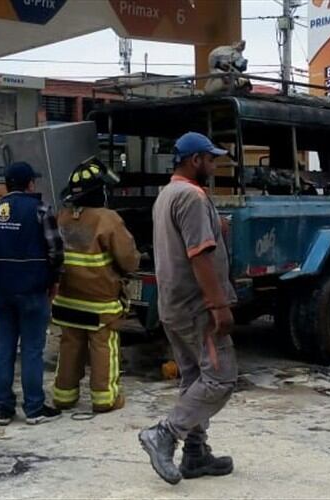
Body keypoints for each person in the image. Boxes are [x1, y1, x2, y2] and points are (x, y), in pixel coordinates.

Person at [139, 132, 236, 485]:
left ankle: (195, 454)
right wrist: (218, 304)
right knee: (220, 378)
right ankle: (164, 434)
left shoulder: (167, 195)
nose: (214, 164)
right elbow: (200, 256)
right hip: (197, 307)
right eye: (211, 159)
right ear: (196, 160)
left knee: (194, 378)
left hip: (173, 303)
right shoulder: (192, 197)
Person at [0, 162, 64, 426]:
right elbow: (56, 251)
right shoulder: (41, 211)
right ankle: (34, 408)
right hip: (33, 290)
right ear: (30, 184)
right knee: (32, 350)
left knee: (4, 347)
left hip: (0, 291)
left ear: (6, 185)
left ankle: (3, 408)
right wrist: (54, 279)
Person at [51, 159, 140, 413]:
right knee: (103, 348)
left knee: (69, 346)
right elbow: (129, 259)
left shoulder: (63, 217)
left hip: (67, 300)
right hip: (100, 302)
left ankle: (64, 396)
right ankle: (105, 399)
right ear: (99, 191)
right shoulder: (107, 219)